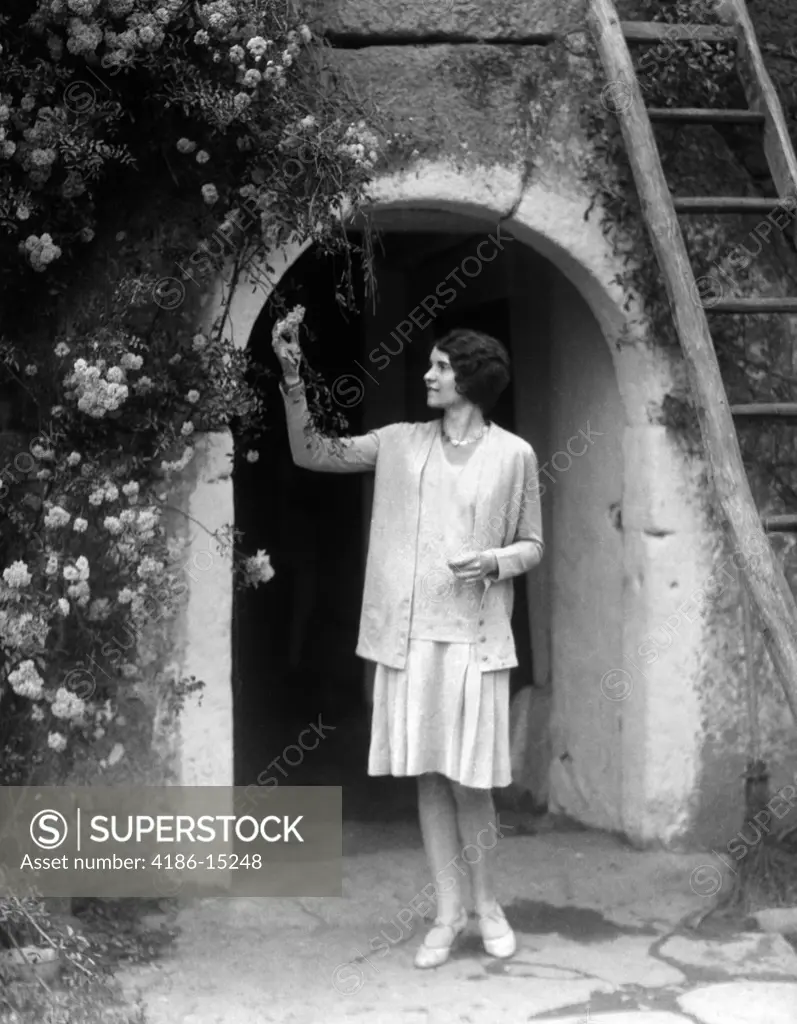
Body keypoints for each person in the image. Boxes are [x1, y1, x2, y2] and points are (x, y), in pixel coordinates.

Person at [274, 319, 544, 969]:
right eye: (429, 365)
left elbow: (532, 544)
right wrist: (291, 373)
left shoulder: (514, 455)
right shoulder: (397, 443)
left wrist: (495, 560)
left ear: (472, 378)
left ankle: (488, 907)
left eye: (441, 366)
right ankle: (447, 914)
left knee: (471, 784)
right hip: (412, 635)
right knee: (427, 778)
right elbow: (314, 452)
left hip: (475, 640)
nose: (427, 375)